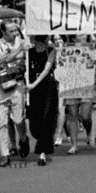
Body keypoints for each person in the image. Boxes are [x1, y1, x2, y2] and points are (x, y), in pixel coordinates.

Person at [0, 21, 30, 167]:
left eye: (15, 31)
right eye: (11, 31)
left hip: (17, 85)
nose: (15, 34)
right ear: (4, 33)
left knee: (19, 119)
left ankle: (23, 139)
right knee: (2, 122)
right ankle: (5, 154)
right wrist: (16, 51)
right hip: (0, 86)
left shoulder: (23, 42)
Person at [26, 34, 59, 166]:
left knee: (46, 118)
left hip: (47, 87)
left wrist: (34, 83)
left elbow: (46, 69)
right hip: (33, 90)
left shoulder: (50, 51)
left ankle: (42, 152)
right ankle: (41, 142)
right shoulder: (28, 52)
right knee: (35, 119)